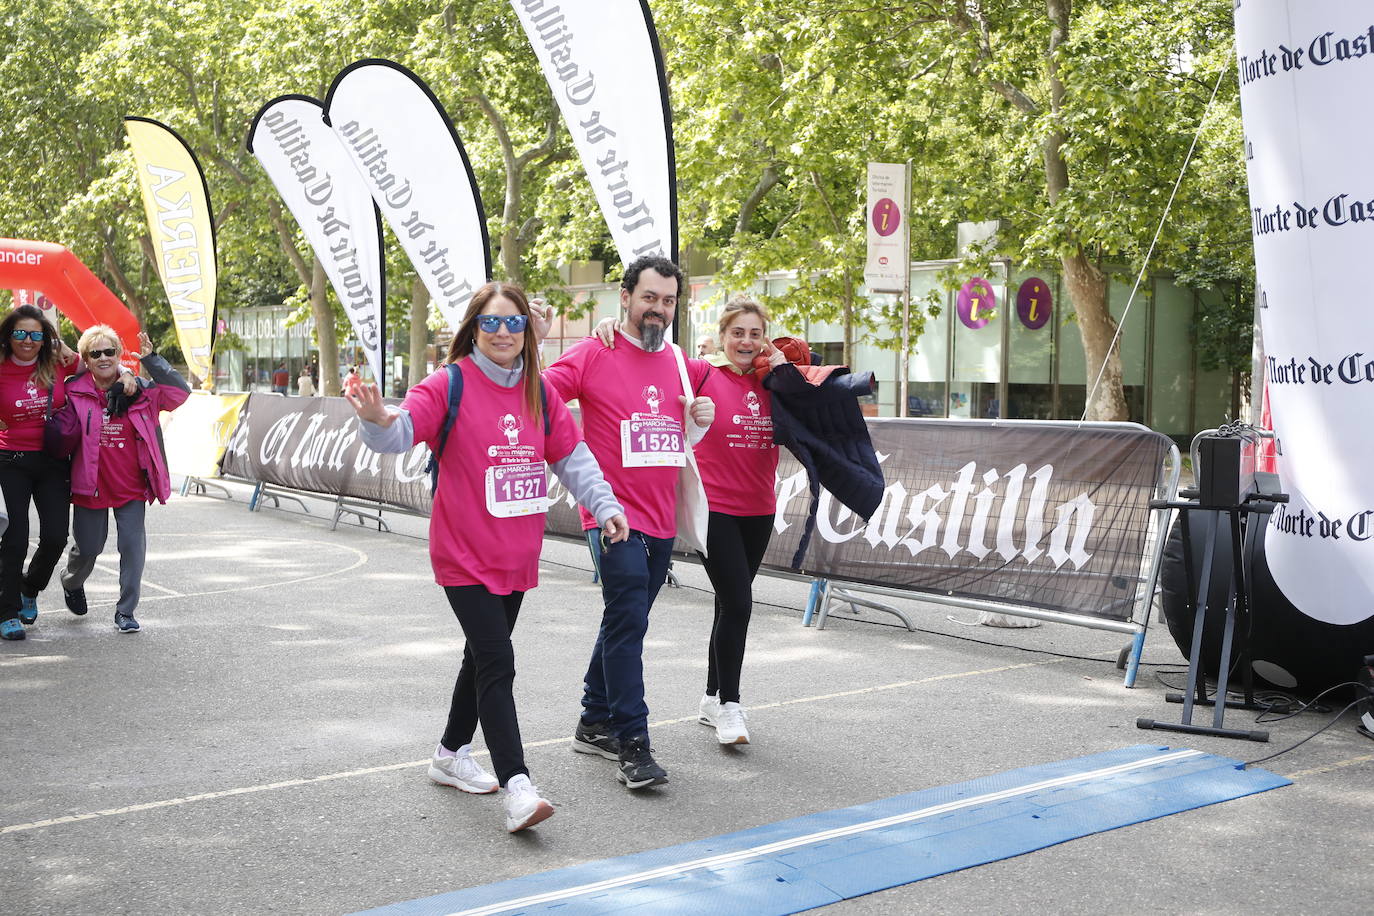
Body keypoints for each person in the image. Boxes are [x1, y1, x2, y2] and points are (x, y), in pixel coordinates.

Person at [347, 280, 629, 833]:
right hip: (462, 556)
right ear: (474, 328)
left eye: (514, 323)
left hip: (516, 556)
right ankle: (518, 786)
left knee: (481, 659)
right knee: (498, 662)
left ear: (527, 330)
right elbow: (398, 433)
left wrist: (606, 504)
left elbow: (572, 456)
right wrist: (377, 418)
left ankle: (450, 753)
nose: (503, 333)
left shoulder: (539, 393)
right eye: (492, 323)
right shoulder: (449, 383)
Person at [541, 255, 715, 790]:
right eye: (648, 298)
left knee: (626, 619)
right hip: (611, 516)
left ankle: (593, 720)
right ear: (625, 296)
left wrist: (700, 415)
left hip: (663, 520)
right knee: (629, 622)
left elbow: (742, 364)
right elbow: (536, 396)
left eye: (667, 301)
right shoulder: (594, 352)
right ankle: (633, 745)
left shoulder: (682, 362)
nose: (657, 310)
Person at [596, 297, 786, 746]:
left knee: (728, 602)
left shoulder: (772, 381)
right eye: (737, 332)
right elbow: (651, 357)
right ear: (722, 337)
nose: (746, 341)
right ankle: (731, 707)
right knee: (739, 603)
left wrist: (783, 368)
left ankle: (710, 697)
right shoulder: (700, 373)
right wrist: (612, 326)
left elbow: (815, 396)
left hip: (760, 508)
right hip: (713, 508)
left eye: (755, 333)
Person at [56, 329, 190, 633]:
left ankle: (126, 611)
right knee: (89, 548)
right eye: (95, 353)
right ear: (86, 360)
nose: (104, 358)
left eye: (110, 351)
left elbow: (179, 394)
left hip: (131, 487)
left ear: (119, 354)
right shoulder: (73, 390)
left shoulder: (141, 389)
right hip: (89, 484)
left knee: (132, 548)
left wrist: (150, 360)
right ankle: (71, 580)